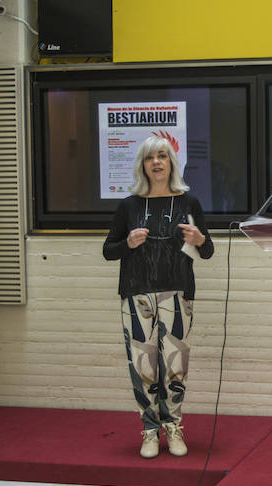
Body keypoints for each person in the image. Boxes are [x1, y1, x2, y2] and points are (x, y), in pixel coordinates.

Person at [103, 135, 214, 459]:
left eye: (162, 156)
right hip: (136, 295)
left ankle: (173, 427)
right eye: (150, 157)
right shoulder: (129, 205)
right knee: (143, 368)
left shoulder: (189, 202)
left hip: (177, 294)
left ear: (171, 162)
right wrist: (128, 244)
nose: (156, 162)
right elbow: (109, 250)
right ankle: (150, 430)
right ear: (142, 164)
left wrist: (200, 238)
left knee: (175, 367)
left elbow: (207, 251)